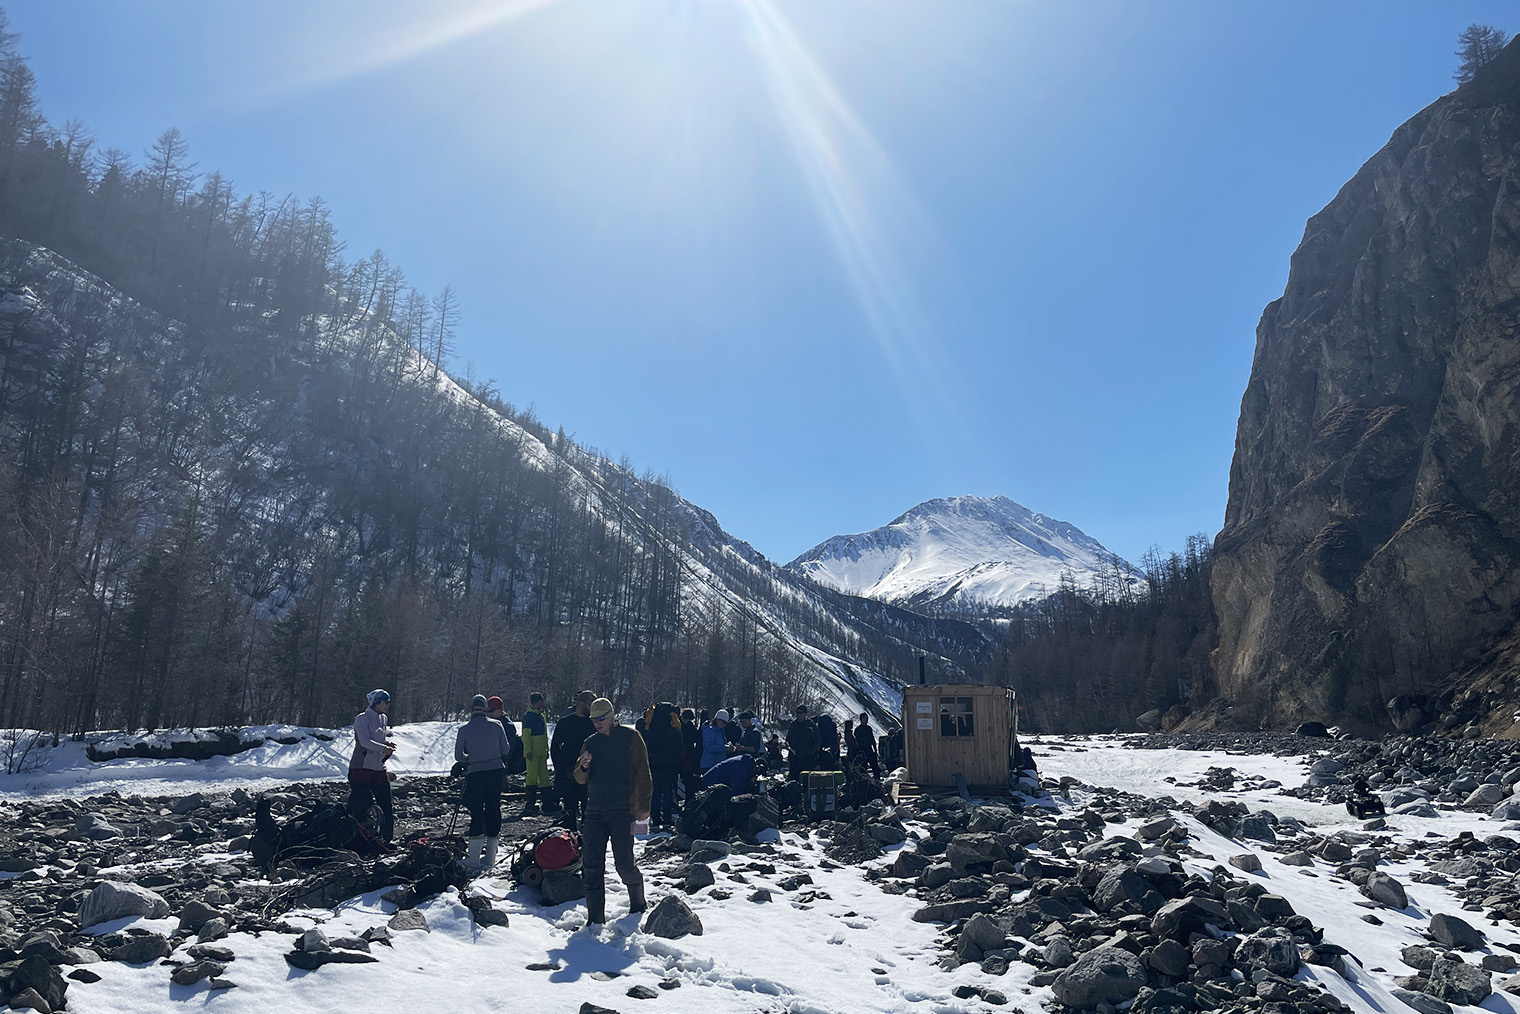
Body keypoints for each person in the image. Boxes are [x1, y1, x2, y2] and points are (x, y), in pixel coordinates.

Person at [573, 697, 652, 924]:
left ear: (611, 716)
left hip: (623, 809)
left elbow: (644, 774)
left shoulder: (631, 737)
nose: (597, 723)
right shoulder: (590, 742)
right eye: (593, 719)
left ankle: (638, 904)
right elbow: (578, 777)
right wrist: (583, 766)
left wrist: (644, 807)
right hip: (595, 810)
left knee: (624, 863)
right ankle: (594, 919)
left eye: (601, 718)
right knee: (591, 865)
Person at [455, 694, 511, 868]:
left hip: (475, 772)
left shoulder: (464, 729)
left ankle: (473, 857)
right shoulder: (497, 725)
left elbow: (459, 756)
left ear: (471, 709)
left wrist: (470, 757)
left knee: (477, 812)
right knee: (493, 808)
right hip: (495, 771)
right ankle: (490, 857)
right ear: (485, 708)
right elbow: (506, 749)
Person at [348, 689, 396, 843]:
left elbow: (376, 740)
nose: (388, 705)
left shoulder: (384, 718)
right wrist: (383, 748)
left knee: (387, 806)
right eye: (385, 702)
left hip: (378, 768)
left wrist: (385, 744)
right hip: (361, 768)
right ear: (377, 702)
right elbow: (364, 741)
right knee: (360, 805)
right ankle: (354, 838)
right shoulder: (362, 718)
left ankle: (387, 840)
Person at [550, 691, 597, 831]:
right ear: (580, 703)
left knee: (588, 810)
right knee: (569, 808)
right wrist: (560, 768)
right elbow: (555, 747)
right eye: (589, 704)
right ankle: (570, 842)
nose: (591, 708)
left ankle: (587, 839)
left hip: (589, 772)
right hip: (568, 771)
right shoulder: (565, 722)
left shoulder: (594, 724)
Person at [641, 701, 683, 831]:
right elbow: (680, 746)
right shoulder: (674, 727)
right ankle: (666, 819)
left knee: (656, 792)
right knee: (668, 792)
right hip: (670, 765)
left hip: (654, 763)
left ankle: (655, 819)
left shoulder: (651, 725)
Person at [520, 692, 552, 815]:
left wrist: (546, 750)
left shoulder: (541, 716)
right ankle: (530, 803)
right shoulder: (528, 716)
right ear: (536, 702)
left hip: (541, 752)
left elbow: (544, 735)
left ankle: (547, 803)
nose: (543, 703)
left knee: (544, 777)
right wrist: (528, 750)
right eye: (541, 700)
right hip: (532, 753)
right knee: (532, 777)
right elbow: (526, 736)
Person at [786, 705, 819, 783]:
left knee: (806, 779)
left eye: (801, 713)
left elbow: (817, 741)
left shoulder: (810, 725)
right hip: (794, 757)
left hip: (807, 758)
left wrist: (810, 752)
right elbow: (788, 738)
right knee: (794, 779)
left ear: (805, 714)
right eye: (797, 712)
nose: (798, 714)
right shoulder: (793, 725)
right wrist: (788, 745)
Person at [679, 709, 702, 810]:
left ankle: (687, 799)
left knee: (686, 779)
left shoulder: (680, 726)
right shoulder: (691, 728)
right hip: (689, 756)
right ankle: (689, 799)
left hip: (685, 756)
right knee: (688, 779)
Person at [853, 712, 882, 778]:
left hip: (869, 749)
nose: (866, 720)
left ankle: (877, 778)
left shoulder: (869, 728)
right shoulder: (858, 730)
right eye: (865, 718)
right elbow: (857, 741)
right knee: (863, 767)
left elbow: (872, 738)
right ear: (861, 719)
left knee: (874, 765)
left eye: (867, 718)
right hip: (862, 750)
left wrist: (875, 748)